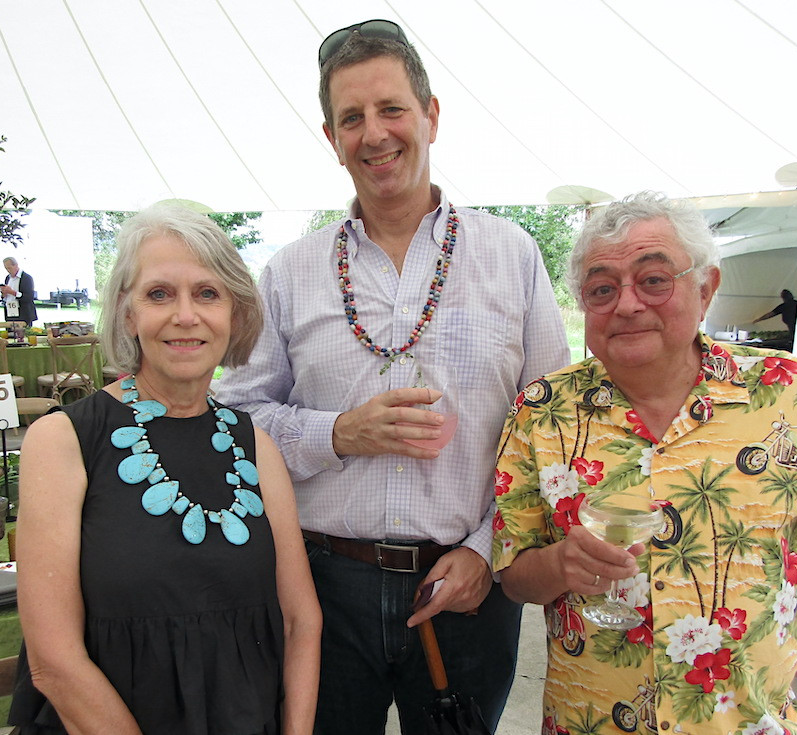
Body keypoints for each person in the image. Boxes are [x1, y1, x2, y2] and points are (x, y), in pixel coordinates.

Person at [217, 19, 569, 735]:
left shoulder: (510, 254)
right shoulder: (289, 272)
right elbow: (235, 420)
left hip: (468, 590)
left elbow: (553, 431)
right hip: (321, 587)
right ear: (331, 137)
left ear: (431, 115)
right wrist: (338, 432)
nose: (374, 134)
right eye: (352, 118)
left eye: (390, 109)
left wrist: (487, 550)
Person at [492, 191, 797, 735]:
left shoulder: (790, 394)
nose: (628, 304)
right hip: (590, 721)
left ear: (706, 289)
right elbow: (515, 576)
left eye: (654, 279)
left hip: (748, 720)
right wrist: (560, 564)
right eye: (602, 289)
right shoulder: (541, 411)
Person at [8, 202, 321, 734]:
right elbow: (53, 662)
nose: (185, 315)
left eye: (207, 293)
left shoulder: (256, 445)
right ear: (128, 314)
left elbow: (300, 622)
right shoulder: (64, 440)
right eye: (159, 294)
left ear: (235, 314)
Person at [0, 256, 38, 327]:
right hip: (10, 312)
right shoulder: (8, 278)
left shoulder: (27, 278)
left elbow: (29, 297)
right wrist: (4, 294)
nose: (8, 270)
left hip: (23, 313)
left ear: (16, 265)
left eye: (9, 268)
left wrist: (13, 292)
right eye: (6, 268)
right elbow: (6, 296)